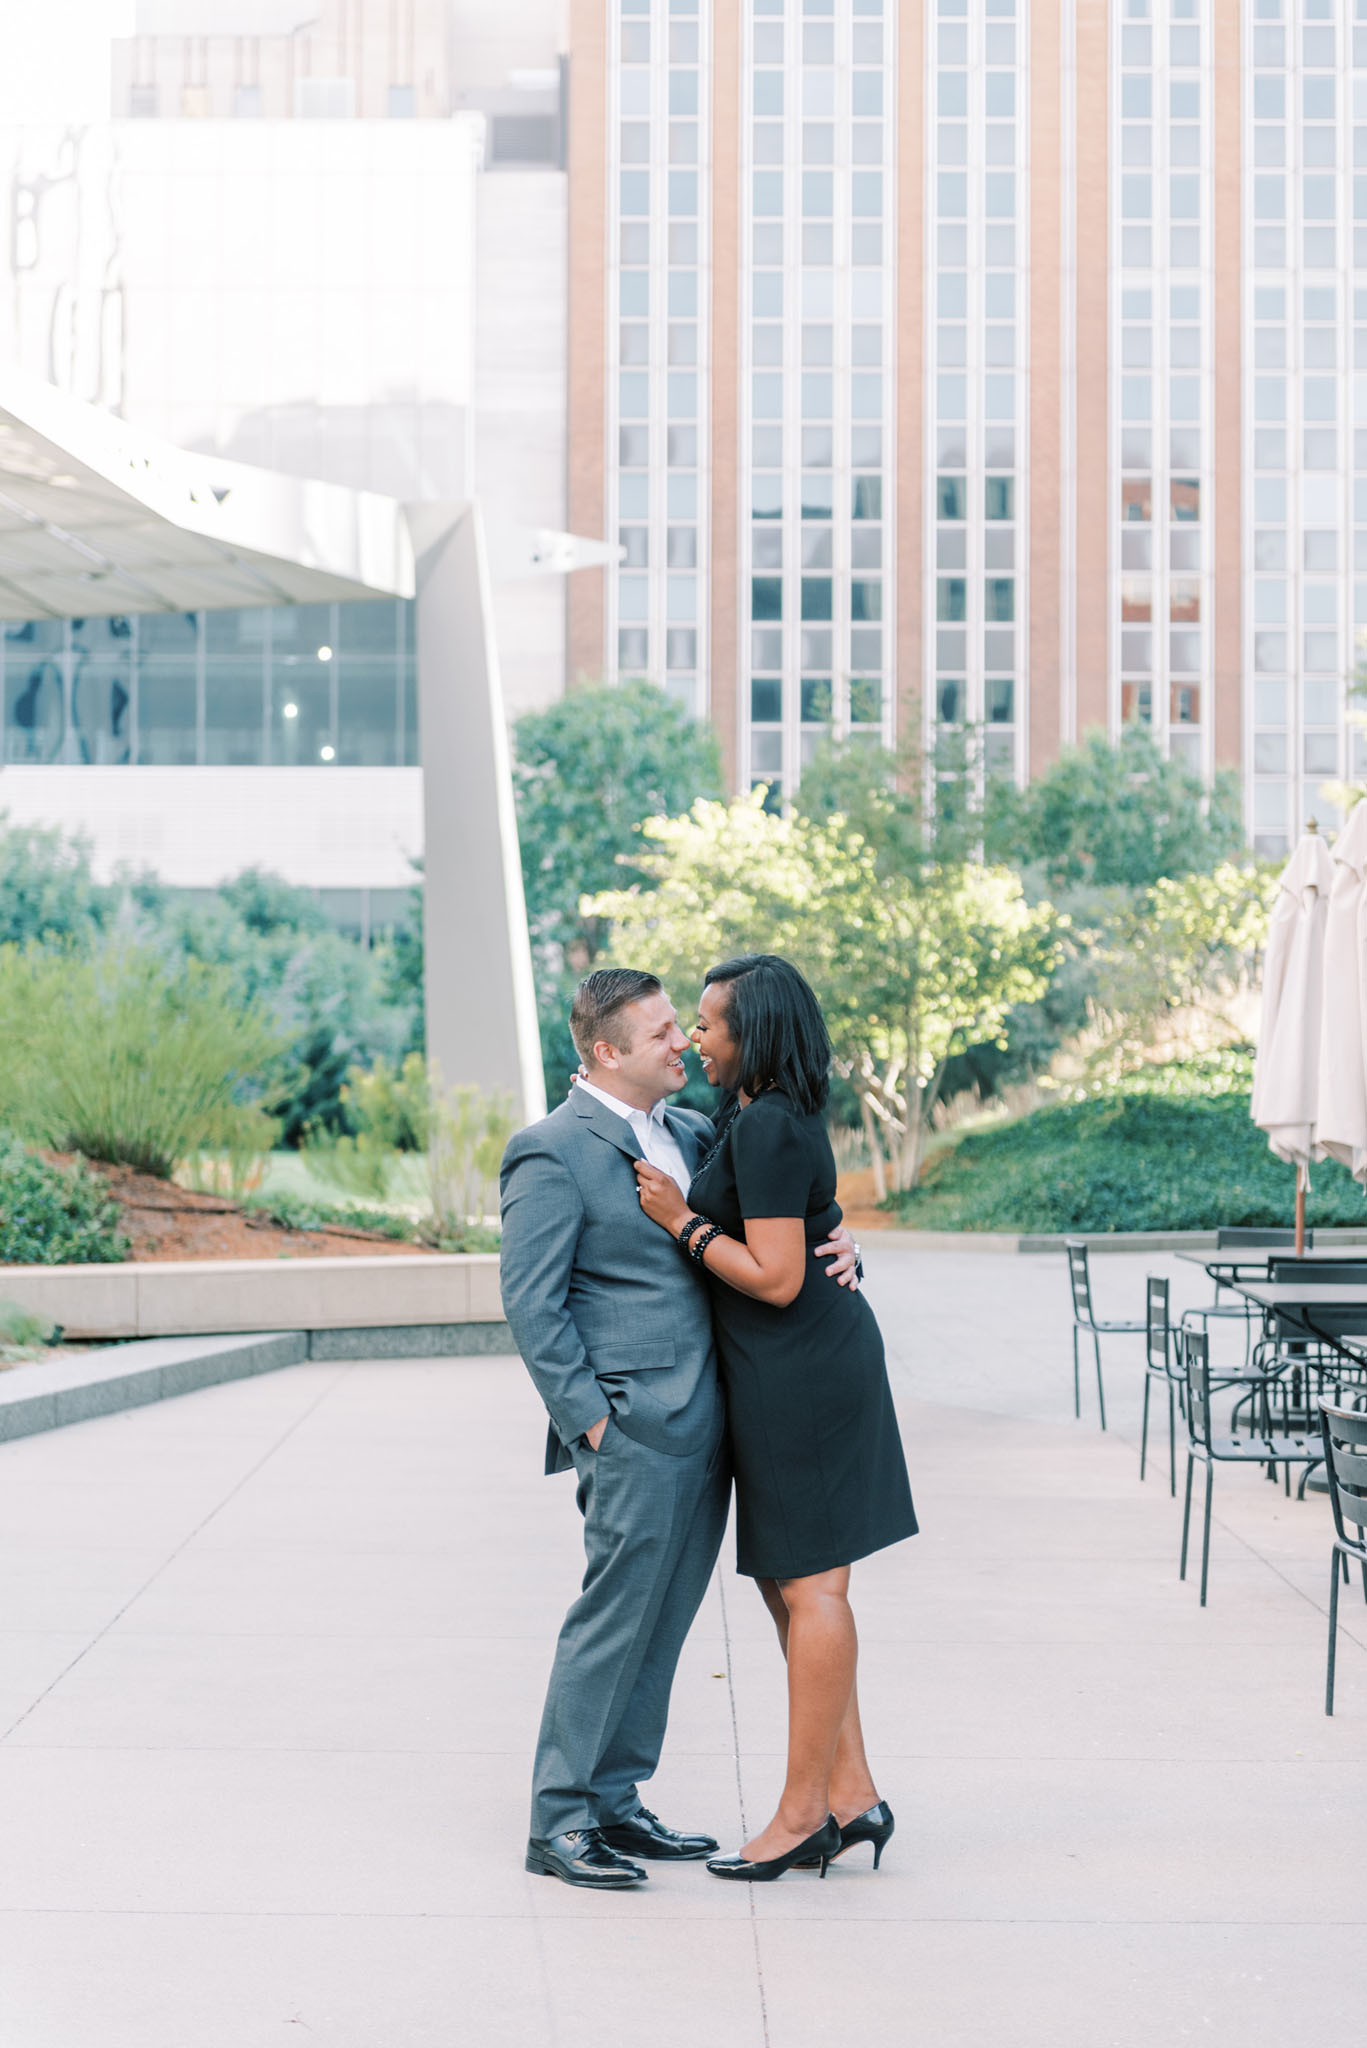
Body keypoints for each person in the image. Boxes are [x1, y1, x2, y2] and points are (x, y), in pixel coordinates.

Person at [499, 966, 861, 1890]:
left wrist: (842, 1241)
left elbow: (774, 1216)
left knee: (662, 1628)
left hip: (718, 1426)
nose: (682, 1043)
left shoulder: (696, 1130)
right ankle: (560, 1819)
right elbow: (533, 1308)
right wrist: (591, 1426)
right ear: (607, 1052)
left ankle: (616, 1802)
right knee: (612, 1622)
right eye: (661, 1032)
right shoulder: (552, 1150)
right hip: (630, 1431)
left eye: (682, 1026)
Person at [635, 954, 917, 1883]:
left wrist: (682, 1223)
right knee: (787, 1589)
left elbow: (779, 1276)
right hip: (780, 1372)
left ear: (751, 1033)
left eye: (709, 1023)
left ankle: (803, 1816)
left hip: (804, 1375)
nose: (696, 1037)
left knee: (813, 1591)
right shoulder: (752, 1118)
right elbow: (803, 1227)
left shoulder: (765, 1128)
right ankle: (851, 1793)